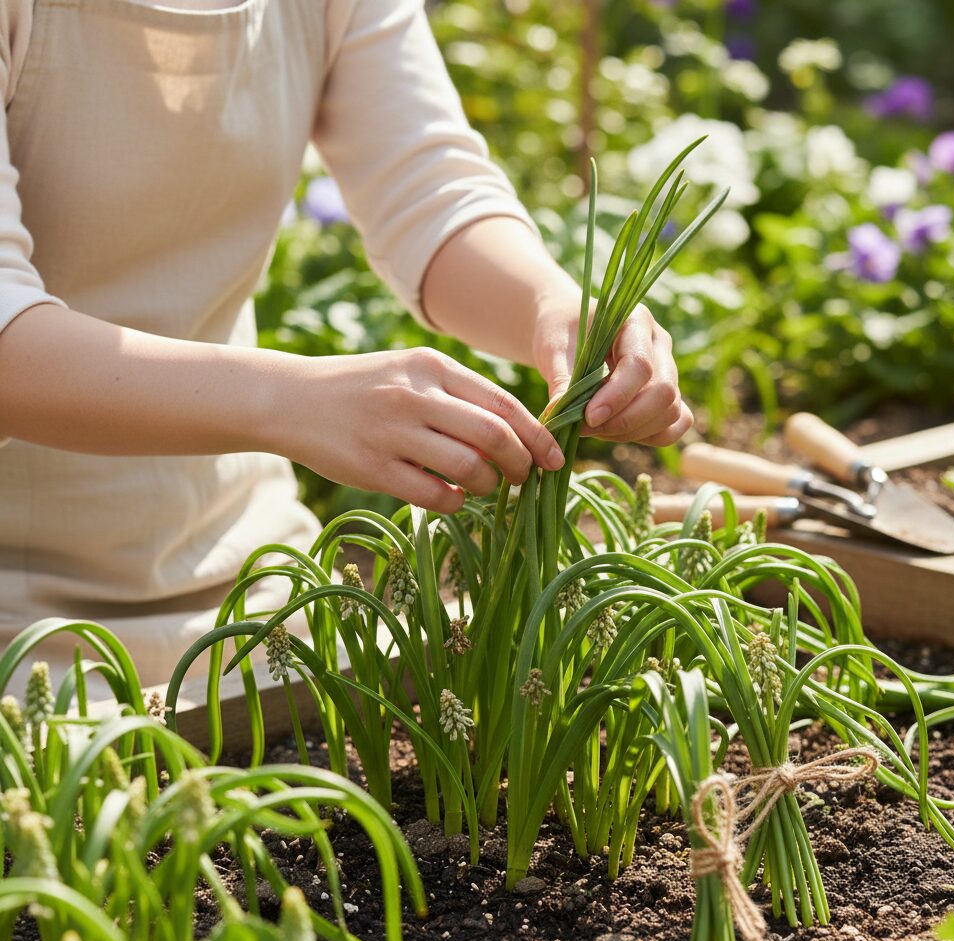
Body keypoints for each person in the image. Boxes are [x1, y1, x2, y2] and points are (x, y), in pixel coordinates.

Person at [0, 0, 691, 693]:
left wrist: (552, 305)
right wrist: (291, 401)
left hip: (255, 588)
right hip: (19, 624)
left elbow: (428, 190)